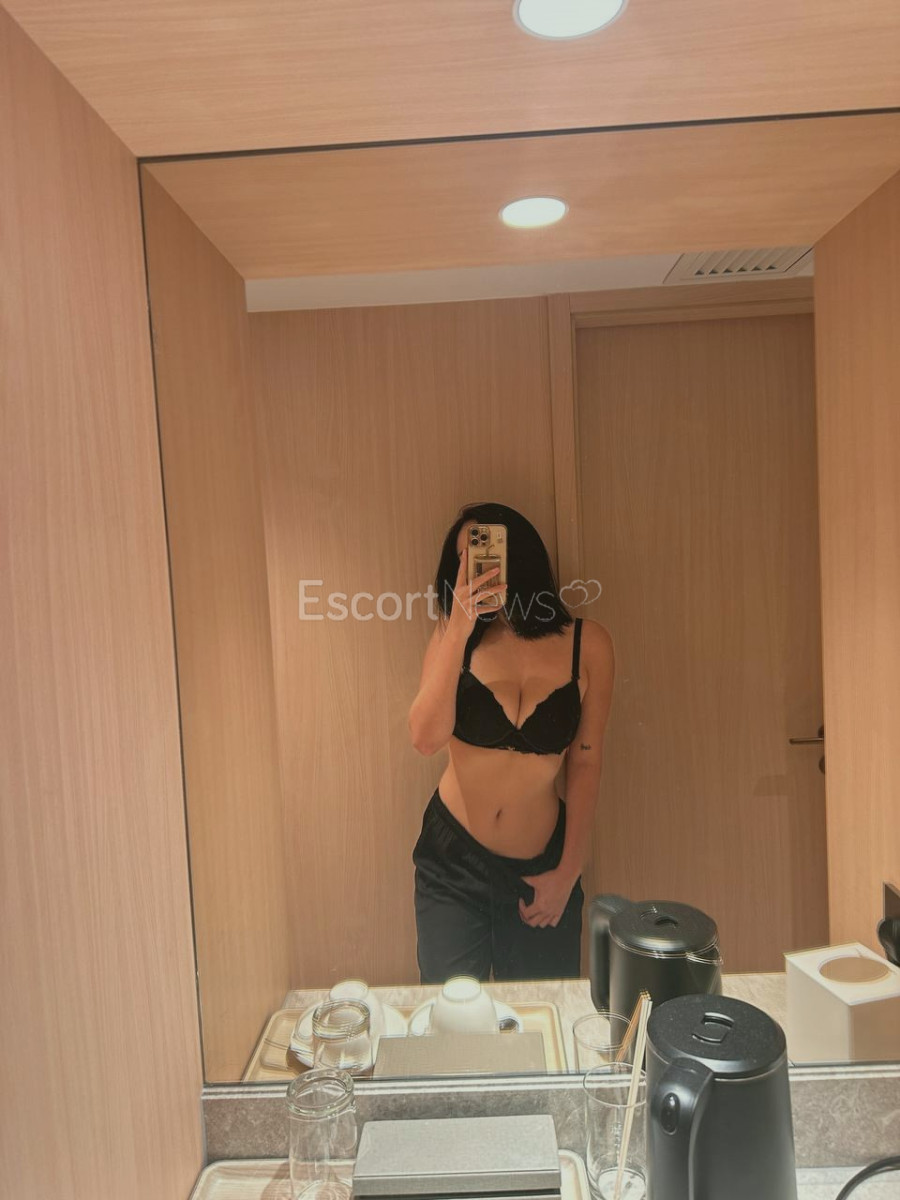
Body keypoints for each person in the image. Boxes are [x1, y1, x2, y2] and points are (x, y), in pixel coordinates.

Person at [407, 501, 615, 983]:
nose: (475, 568)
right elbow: (425, 739)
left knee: (542, 1010)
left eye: (484, 553)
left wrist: (569, 870)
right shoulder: (452, 636)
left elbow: (586, 761)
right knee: (450, 1013)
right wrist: (458, 629)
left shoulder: (589, 644)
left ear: (518, 556)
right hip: (452, 862)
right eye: (463, 560)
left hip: (542, 865)